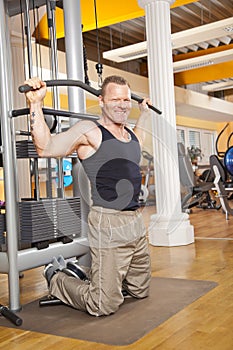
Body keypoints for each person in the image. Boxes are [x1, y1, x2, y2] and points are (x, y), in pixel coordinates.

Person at [24, 75, 152, 316]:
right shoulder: (90, 131)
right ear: (102, 101)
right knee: (103, 304)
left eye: (126, 99)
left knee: (140, 289)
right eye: (115, 99)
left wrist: (143, 112)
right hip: (108, 221)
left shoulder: (131, 136)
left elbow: (140, 138)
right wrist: (36, 104)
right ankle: (56, 278)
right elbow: (45, 148)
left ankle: (100, 277)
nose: (122, 104)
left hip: (135, 221)